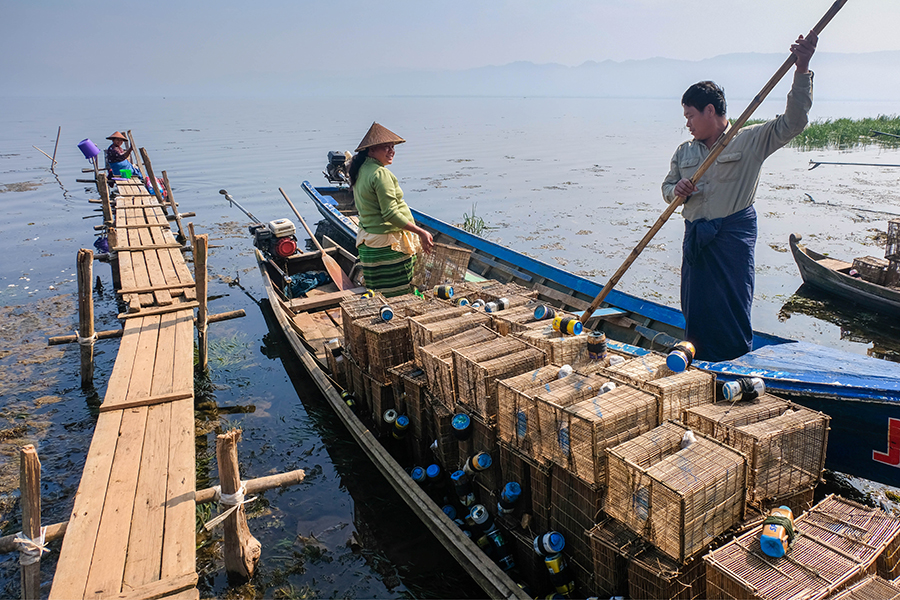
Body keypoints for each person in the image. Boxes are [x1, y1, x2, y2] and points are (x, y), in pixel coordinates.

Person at [661, 32, 817, 362]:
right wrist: (676, 191)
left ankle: (734, 362)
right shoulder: (684, 152)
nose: (687, 124)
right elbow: (667, 189)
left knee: (731, 304)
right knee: (696, 306)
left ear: (709, 110)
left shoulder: (749, 140)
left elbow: (794, 122)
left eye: (690, 115)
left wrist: (802, 68)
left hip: (729, 242)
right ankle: (697, 358)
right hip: (697, 244)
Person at [348, 122, 434, 297]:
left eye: (392, 147)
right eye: (385, 147)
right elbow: (390, 214)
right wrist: (420, 232)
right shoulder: (381, 174)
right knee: (400, 297)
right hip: (389, 248)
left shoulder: (361, 169)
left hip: (370, 244)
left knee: (380, 296)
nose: (391, 151)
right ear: (371, 150)